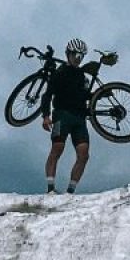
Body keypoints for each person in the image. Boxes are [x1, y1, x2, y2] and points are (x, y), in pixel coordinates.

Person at [41, 38, 94, 193]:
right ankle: (50, 189)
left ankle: (70, 192)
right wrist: (45, 115)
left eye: (81, 56)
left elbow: (86, 96)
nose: (78, 58)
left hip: (79, 119)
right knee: (57, 147)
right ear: (68, 54)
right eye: (75, 54)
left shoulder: (82, 76)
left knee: (84, 155)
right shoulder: (59, 73)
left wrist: (98, 96)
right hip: (61, 115)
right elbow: (47, 95)